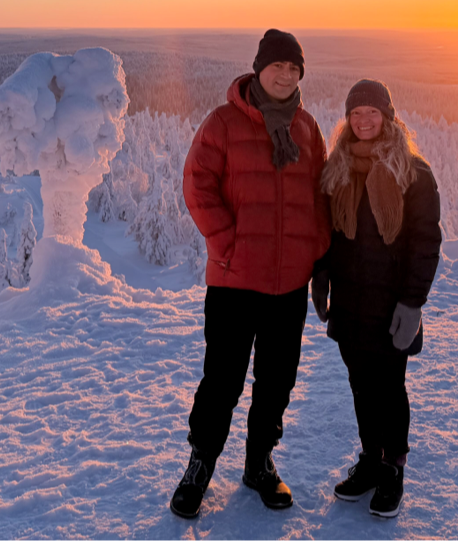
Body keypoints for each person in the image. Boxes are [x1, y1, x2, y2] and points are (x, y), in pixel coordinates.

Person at [169, 29, 332, 519]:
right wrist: (227, 242)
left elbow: (319, 198)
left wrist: (318, 255)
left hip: (289, 284)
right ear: (259, 69)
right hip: (235, 281)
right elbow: (197, 185)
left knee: (277, 379)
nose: (285, 75)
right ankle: (199, 465)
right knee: (222, 378)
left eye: (294, 69)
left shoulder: (305, 128)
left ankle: (259, 463)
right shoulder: (222, 123)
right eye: (278, 66)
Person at [311, 78, 441, 519]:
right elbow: (329, 234)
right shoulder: (338, 168)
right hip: (350, 300)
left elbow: (425, 242)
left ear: (388, 116)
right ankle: (370, 458)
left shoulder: (413, 172)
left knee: (390, 387)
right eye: (356, 114)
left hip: (392, 305)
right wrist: (322, 277)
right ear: (347, 120)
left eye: (372, 113)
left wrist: (413, 302)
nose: (364, 121)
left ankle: (393, 466)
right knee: (360, 385)